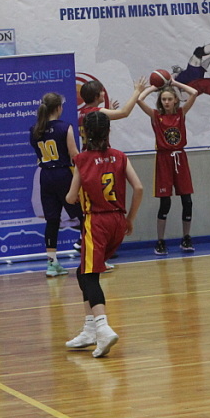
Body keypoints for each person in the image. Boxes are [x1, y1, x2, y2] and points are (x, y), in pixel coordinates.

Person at [63, 112, 143, 358]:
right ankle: (89, 330)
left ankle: (102, 327)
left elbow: (71, 197)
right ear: (108, 132)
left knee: (89, 276)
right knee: (83, 271)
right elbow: (138, 187)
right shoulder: (120, 156)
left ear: (85, 133)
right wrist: (130, 218)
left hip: (96, 222)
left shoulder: (82, 160)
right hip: (118, 221)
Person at [137, 79, 199, 255]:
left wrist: (175, 83)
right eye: (163, 99)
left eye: (169, 99)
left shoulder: (181, 113)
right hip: (163, 159)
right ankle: (160, 241)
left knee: (187, 201)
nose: (166, 102)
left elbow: (194, 93)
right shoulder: (156, 115)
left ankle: (186, 238)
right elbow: (139, 99)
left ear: (175, 100)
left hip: (180, 158)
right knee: (165, 202)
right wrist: (154, 87)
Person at [30, 92, 84, 278]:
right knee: (83, 216)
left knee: (52, 221)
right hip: (63, 174)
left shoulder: (35, 130)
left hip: (45, 176)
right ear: (58, 108)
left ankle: (52, 264)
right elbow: (75, 155)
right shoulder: (65, 127)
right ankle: (92, 258)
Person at [78, 76, 147, 130]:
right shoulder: (97, 112)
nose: (104, 93)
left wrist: (107, 115)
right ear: (96, 96)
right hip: (99, 145)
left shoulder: (81, 113)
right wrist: (137, 91)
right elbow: (124, 113)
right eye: (101, 91)